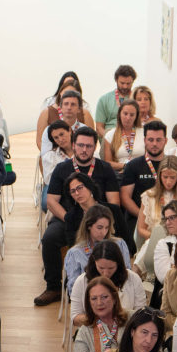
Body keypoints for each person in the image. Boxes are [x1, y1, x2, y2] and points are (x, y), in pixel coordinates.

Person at [36, 126, 120, 306]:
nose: (84, 150)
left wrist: (101, 220)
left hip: (100, 220)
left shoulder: (104, 168)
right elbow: (51, 201)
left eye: (89, 146)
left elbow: (113, 202)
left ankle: (111, 284)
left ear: (95, 147)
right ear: (73, 145)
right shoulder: (61, 168)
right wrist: (69, 219)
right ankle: (53, 287)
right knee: (49, 239)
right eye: (80, 145)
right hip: (67, 217)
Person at [70, 240, 146, 328]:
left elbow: (141, 313)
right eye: (101, 267)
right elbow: (75, 318)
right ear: (94, 262)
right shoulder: (81, 281)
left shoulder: (133, 279)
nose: (105, 273)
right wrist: (100, 319)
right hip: (93, 330)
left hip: (126, 331)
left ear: (118, 263)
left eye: (111, 268)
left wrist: (117, 319)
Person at [72, 276, 129, 352]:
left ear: (114, 298)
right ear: (89, 302)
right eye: (94, 298)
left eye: (104, 297)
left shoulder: (131, 320)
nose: (99, 303)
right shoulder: (84, 332)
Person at [136, 155, 177, 247]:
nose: (168, 182)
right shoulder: (148, 196)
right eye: (165, 177)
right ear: (159, 176)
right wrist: (156, 237)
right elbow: (141, 229)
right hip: (155, 243)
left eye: (172, 178)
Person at [63, 204, 131, 295]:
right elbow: (74, 289)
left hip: (119, 295)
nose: (103, 232)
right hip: (88, 300)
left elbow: (127, 275)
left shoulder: (120, 244)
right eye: (99, 227)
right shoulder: (75, 253)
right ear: (88, 225)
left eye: (107, 227)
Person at [62, 172, 133, 255]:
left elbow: (128, 241)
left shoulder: (113, 209)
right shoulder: (70, 217)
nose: (77, 193)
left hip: (114, 256)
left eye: (79, 188)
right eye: (73, 191)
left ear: (90, 187)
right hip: (86, 259)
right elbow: (73, 247)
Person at [119, 120, 168, 234]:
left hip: (169, 219)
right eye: (151, 140)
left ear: (165, 141)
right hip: (138, 218)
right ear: (145, 140)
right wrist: (144, 217)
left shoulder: (175, 165)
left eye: (158, 140)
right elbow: (125, 198)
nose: (154, 143)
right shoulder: (133, 166)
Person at [37, 88, 94, 154]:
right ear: (60, 108)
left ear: (79, 109)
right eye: (66, 104)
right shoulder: (49, 130)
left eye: (73, 104)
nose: (69, 107)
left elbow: (91, 154)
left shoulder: (86, 131)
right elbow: (46, 157)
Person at [40, 119, 74, 212]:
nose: (60, 140)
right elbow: (49, 180)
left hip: (81, 186)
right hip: (58, 187)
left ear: (70, 131)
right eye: (56, 138)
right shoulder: (50, 156)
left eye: (62, 134)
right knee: (45, 204)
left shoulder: (83, 150)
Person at [94, 65, 137, 136]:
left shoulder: (136, 99)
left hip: (132, 138)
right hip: (109, 137)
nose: (125, 86)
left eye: (128, 83)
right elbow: (99, 128)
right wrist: (110, 139)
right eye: (122, 83)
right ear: (116, 80)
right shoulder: (104, 99)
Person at [102, 99, 144, 172]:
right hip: (120, 173)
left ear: (136, 116)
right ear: (119, 114)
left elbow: (149, 159)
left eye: (132, 115)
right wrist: (126, 166)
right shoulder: (110, 135)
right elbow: (107, 163)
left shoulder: (144, 133)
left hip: (140, 172)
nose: (128, 118)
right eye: (125, 114)